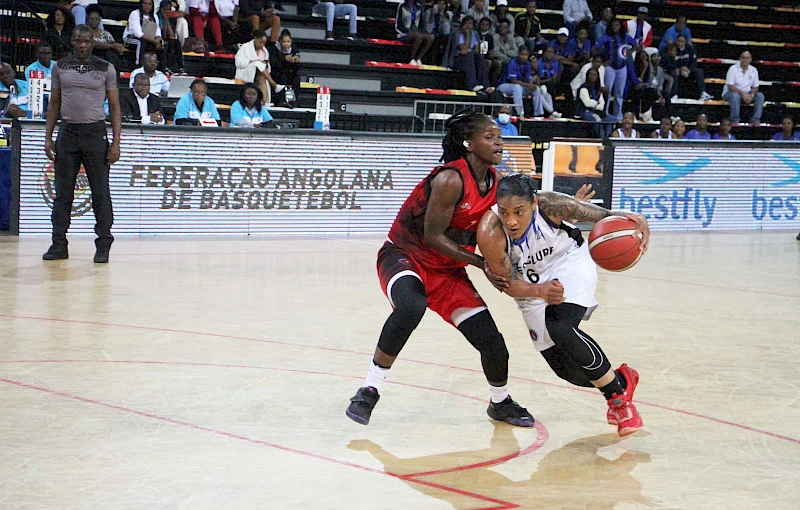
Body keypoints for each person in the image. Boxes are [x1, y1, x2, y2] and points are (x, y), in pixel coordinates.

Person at [345, 111, 535, 428]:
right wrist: (481, 263)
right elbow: (433, 237)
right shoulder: (450, 178)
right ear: (468, 144)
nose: (498, 141)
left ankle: (500, 403)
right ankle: (369, 390)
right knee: (411, 306)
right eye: (489, 137)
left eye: (499, 136)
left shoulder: (499, 184)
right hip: (406, 256)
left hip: (448, 272)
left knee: (493, 343)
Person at [476, 173, 649, 436]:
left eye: (519, 212)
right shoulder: (490, 231)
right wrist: (540, 291)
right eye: (505, 212)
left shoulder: (551, 204)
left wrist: (637, 221)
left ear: (534, 204)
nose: (511, 221)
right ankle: (621, 380)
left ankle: (619, 401)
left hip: (569, 263)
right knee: (566, 371)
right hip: (529, 287)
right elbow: (507, 284)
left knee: (560, 326)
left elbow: (604, 215)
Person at [42, 24, 121, 264]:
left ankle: (103, 245)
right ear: (72, 41)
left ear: (93, 42)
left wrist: (116, 142)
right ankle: (58, 243)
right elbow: (54, 104)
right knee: (63, 194)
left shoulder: (106, 68)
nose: (82, 45)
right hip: (67, 133)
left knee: (100, 192)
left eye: (87, 41)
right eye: (78, 41)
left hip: (95, 133)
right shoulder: (60, 67)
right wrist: (48, 136)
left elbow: (115, 107)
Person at [595, 19, 636, 121]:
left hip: (622, 67)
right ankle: (606, 111)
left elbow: (636, 45)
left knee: (619, 92)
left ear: (621, 26)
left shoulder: (625, 37)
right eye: (613, 25)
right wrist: (603, 61)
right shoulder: (607, 37)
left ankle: (618, 114)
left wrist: (629, 53)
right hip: (610, 67)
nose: (615, 27)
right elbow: (596, 47)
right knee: (607, 91)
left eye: (617, 25)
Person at [235, 30, 278, 104]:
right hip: (246, 71)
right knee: (258, 63)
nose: (262, 45)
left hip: (260, 74)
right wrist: (252, 61)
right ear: (255, 39)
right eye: (260, 42)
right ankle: (274, 84)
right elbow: (238, 63)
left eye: (264, 43)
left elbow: (268, 69)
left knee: (261, 78)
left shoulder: (265, 51)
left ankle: (264, 102)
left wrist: (266, 64)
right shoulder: (245, 47)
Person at [722, 51, 764, 126]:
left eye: (747, 58)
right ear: (740, 59)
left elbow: (755, 87)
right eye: (743, 58)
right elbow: (730, 86)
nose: (745, 60)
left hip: (747, 94)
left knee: (760, 96)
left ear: (750, 59)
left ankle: (755, 120)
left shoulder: (754, 70)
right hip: (731, 93)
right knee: (735, 95)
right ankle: (735, 120)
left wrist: (751, 95)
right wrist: (743, 94)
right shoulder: (733, 69)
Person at [453, 16, 492, 92]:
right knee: (469, 55)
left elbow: (476, 50)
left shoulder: (474, 33)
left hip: (470, 57)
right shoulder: (458, 34)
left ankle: (485, 85)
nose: (468, 25)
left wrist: (469, 50)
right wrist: (467, 35)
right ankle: (472, 84)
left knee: (480, 56)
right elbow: (463, 50)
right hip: (459, 59)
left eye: (470, 23)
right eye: (466, 23)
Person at [497, 46, 538, 117]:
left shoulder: (527, 64)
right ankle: (520, 113)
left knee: (536, 89)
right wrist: (528, 84)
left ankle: (538, 114)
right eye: (522, 54)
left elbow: (527, 80)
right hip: (504, 86)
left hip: (519, 87)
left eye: (526, 55)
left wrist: (532, 85)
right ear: (518, 54)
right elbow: (513, 81)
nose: (524, 57)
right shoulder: (513, 62)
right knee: (517, 87)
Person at [86, 5, 126, 73]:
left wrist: (118, 46)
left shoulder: (105, 33)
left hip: (106, 59)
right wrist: (112, 46)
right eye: (91, 19)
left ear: (100, 20)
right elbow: (93, 43)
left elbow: (113, 44)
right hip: (90, 56)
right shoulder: (84, 32)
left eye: (96, 19)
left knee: (113, 53)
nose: (94, 21)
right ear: (87, 19)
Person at [575, 67, 612, 138]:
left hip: (596, 111)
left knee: (611, 119)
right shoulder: (583, 88)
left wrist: (596, 104)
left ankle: (606, 137)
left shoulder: (597, 89)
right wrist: (597, 104)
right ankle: (601, 138)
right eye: (591, 74)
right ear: (587, 76)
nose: (593, 76)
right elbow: (587, 103)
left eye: (595, 75)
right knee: (596, 119)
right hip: (584, 111)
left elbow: (602, 104)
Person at [123, 0, 164, 64]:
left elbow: (158, 33)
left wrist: (157, 41)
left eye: (149, 4)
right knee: (141, 42)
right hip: (130, 38)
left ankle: (160, 67)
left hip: (150, 38)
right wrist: (154, 41)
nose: (147, 6)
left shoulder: (154, 16)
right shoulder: (135, 13)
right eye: (145, 3)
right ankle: (139, 63)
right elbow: (138, 33)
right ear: (141, 4)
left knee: (162, 43)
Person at [672, 35, 711, 100]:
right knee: (674, 73)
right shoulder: (673, 49)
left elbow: (694, 62)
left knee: (699, 71)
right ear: (676, 41)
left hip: (688, 70)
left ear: (685, 42)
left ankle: (703, 93)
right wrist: (680, 68)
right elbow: (669, 61)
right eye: (678, 41)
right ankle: (674, 94)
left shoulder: (690, 48)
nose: (680, 43)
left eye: (682, 41)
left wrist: (688, 69)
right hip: (677, 70)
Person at [269, 29, 300, 107]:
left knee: (296, 78)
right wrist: (284, 59)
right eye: (284, 42)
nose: (286, 44)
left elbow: (296, 69)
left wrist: (296, 62)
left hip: (289, 71)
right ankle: (281, 100)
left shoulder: (294, 49)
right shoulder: (274, 48)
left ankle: (293, 100)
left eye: (288, 42)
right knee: (283, 77)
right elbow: (274, 65)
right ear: (280, 41)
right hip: (276, 72)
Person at [396, 0, 434, 65]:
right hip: (403, 33)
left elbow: (421, 23)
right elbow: (398, 24)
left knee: (431, 37)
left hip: (416, 31)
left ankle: (419, 58)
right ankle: (411, 58)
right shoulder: (402, 6)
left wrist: (422, 32)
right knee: (418, 36)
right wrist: (407, 31)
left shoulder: (419, 7)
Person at [627, 50, 656, 121]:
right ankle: (635, 115)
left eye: (645, 56)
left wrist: (644, 84)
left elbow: (649, 81)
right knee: (637, 92)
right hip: (631, 88)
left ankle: (644, 113)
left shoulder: (648, 67)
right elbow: (635, 81)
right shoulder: (633, 66)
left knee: (653, 92)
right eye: (641, 56)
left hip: (643, 87)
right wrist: (644, 69)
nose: (643, 58)